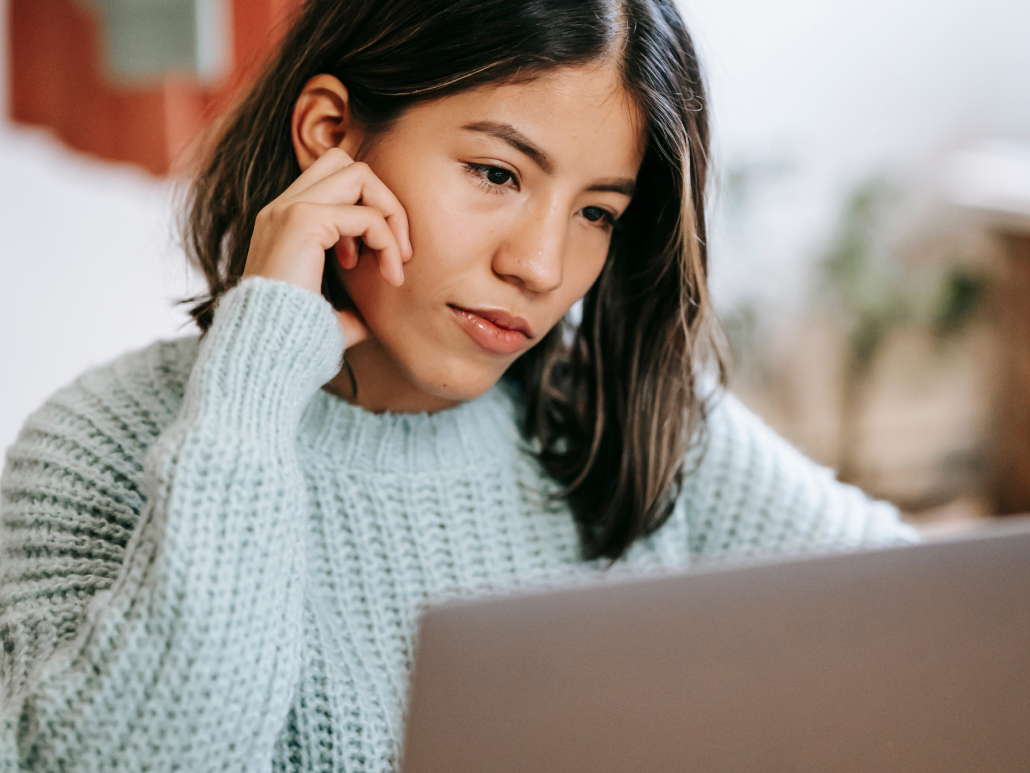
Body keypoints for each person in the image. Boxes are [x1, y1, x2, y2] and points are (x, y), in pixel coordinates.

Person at [0, 0, 918, 769]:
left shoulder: (634, 432)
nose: (542, 264)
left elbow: (944, 634)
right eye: (496, 172)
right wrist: (255, 377)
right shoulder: (101, 444)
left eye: (597, 211)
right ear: (332, 137)